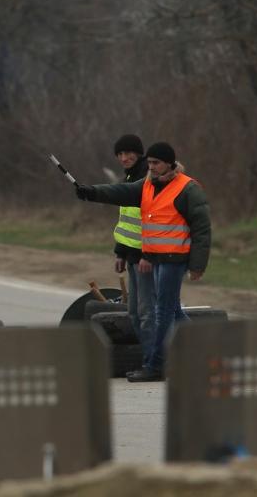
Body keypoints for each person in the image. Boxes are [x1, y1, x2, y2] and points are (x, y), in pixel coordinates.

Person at [75, 142, 210, 382]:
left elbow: (202, 229)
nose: (151, 167)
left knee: (163, 313)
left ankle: (156, 366)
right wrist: (91, 192)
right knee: (174, 312)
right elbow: (119, 192)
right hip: (155, 258)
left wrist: (197, 264)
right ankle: (205, 352)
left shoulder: (187, 188)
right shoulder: (147, 184)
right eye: (149, 163)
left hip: (174, 260)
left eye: (156, 163)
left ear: (170, 163)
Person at [110, 134, 157, 373]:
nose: (124, 157)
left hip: (146, 259)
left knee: (147, 313)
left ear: (139, 153)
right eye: (119, 154)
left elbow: (151, 220)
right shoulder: (129, 177)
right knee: (135, 313)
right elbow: (127, 222)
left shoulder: (146, 178)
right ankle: (150, 360)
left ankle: (155, 363)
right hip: (132, 257)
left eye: (128, 153)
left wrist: (147, 255)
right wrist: (120, 253)